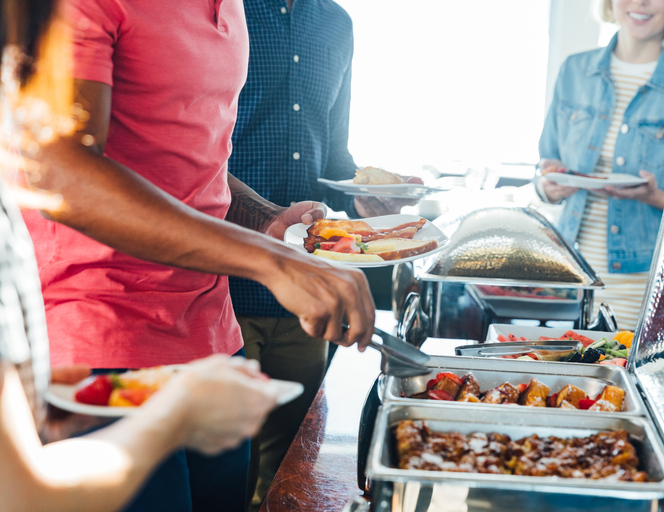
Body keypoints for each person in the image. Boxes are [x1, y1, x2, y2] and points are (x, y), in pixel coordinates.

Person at [11, 0, 376, 510]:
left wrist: (269, 222)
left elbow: (185, 162)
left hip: (209, 340)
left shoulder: (234, 7)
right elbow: (59, 172)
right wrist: (273, 262)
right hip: (99, 344)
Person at [228, 0, 418, 506]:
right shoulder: (225, 10)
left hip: (305, 293)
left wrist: (369, 197)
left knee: (293, 465)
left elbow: (332, 155)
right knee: (227, 470)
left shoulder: (336, 23)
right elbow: (194, 153)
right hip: (224, 282)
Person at [535, 0, 664, 330]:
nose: (641, 2)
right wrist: (549, 186)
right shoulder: (573, 71)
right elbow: (544, 169)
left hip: (646, 288)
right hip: (569, 279)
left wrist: (653, 196)